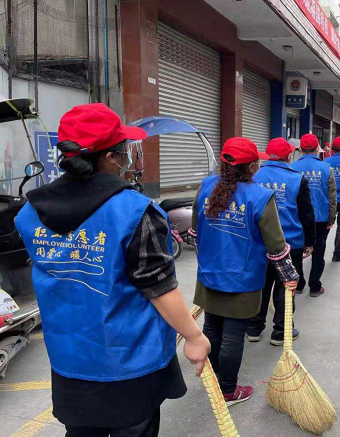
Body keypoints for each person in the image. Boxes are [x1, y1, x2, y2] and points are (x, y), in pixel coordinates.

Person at [14, 103, 211, 437]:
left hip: (70, 357)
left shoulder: (30, 212)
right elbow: (159, 287)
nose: (127, 156)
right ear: (111, 157)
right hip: (129, 360)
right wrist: (194, 336)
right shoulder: (135, 211)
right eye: (125, 149)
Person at [193, 137, 299, 406]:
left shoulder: (206, 187)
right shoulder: (260, 196)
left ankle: (214, 380)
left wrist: (208, 260)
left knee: (212, 329)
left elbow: (195, 233)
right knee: (232, 336)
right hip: (242, 280)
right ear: (252, 167)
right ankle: (228, 390)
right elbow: (276, 246)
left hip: (209, 275)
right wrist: (289, 276)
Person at [247, 137, 315, 345]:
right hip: (290, 243)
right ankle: (281, 331)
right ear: (288, 156)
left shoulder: (254, 176)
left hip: (259, 243)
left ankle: (254, 328)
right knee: (286, 286)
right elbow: (306, 214)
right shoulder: (297, 179)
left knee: (260, 285)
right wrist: (309, 241)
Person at [291, 134, 337, 296]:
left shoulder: (292, 167)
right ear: (318, 148)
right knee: (318, 252)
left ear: (300, 149)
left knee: (296, 251)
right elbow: (332, 195)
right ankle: (315, 286)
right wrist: (332, 217)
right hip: (320, 217)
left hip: (298, 217)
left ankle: (299, 284)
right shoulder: (327, 168)